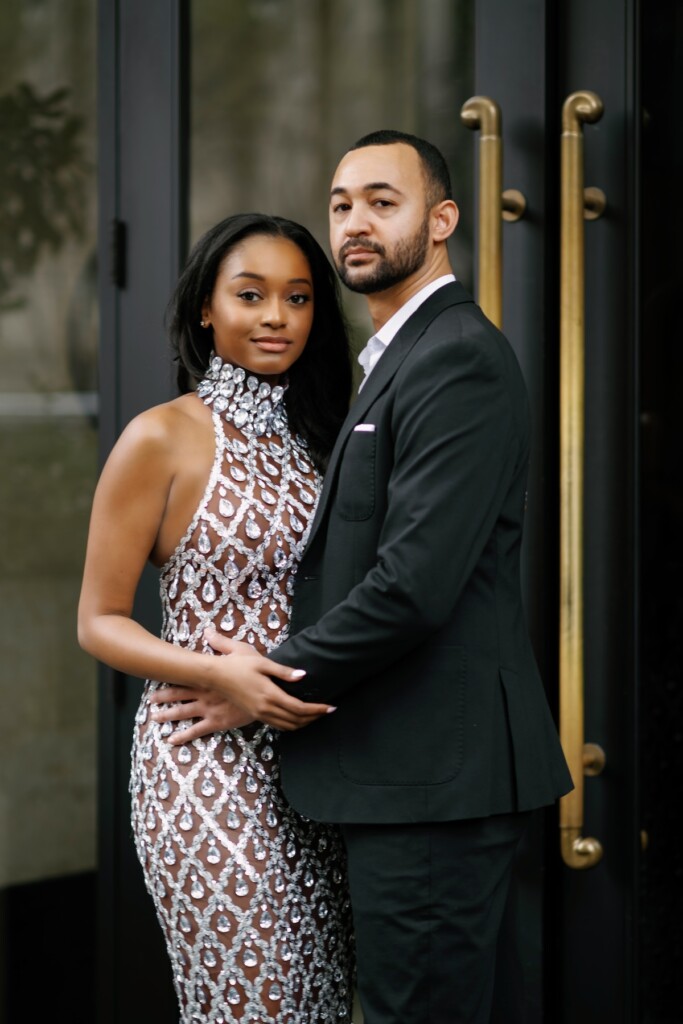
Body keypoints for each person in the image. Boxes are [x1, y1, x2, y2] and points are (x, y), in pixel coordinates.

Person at [171, 130, 575, 1024]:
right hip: (409, 779)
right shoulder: (397, 358)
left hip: (430, 782)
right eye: (342, 203)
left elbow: (412, 585)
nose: (354, 222)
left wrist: (263, 683)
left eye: (381, 202)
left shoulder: (454, 357)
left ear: (441, 221)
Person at [77, 213, 356, 1022]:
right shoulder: (159, 437)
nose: (276, 316)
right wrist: (215, 669)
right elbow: (99, 621)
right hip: (204, 759)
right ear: (206, 307)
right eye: (251, 294)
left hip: (320, 756)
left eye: (298, 298)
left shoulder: (329, 438)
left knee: (320, 1005)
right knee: (254, 1004)